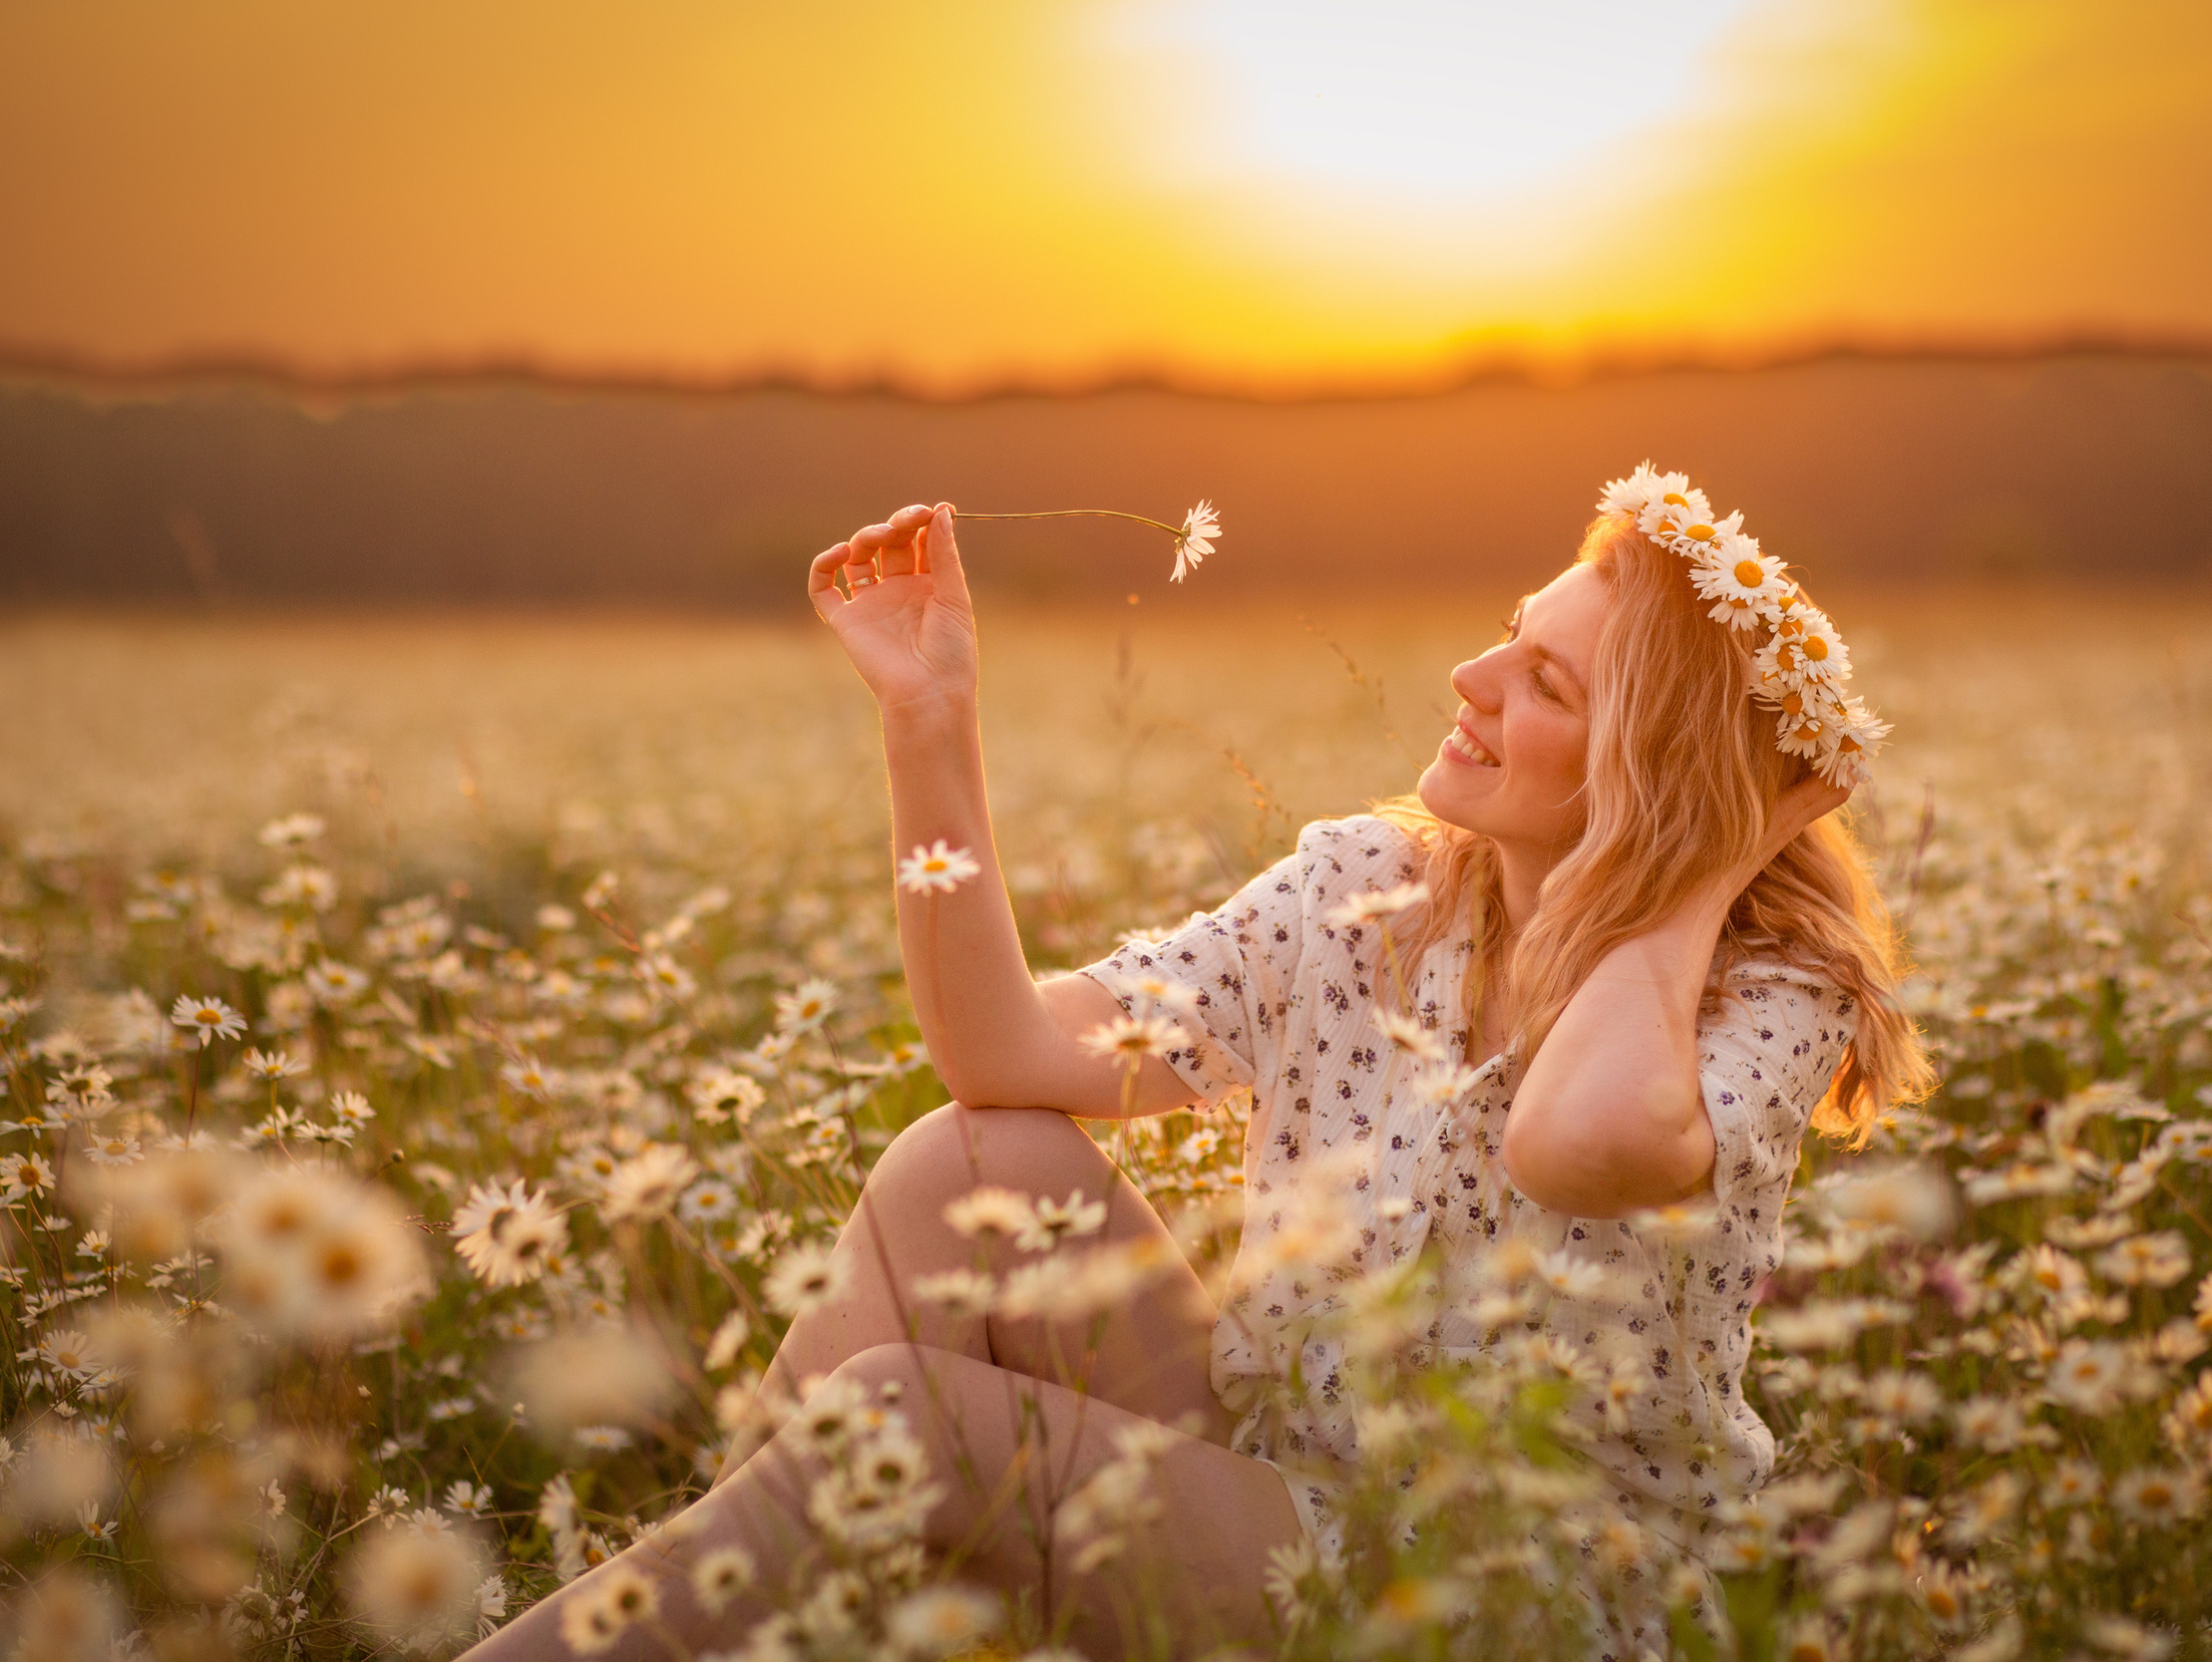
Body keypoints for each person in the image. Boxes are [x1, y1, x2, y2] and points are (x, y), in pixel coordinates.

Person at [464, 491, 1924, 1661]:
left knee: (908, 1417)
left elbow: (1580, 1144)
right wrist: (927, 721)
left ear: (1654, 772)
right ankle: (717, 1612)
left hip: (1506, 1602)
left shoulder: (1763, 993)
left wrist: (1700, 866)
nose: (1470, 681)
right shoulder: (1371, 889)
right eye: (1504, 635)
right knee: (965, 1163)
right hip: (1292, 1481)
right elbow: (1006, 1052)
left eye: (1542, 680)